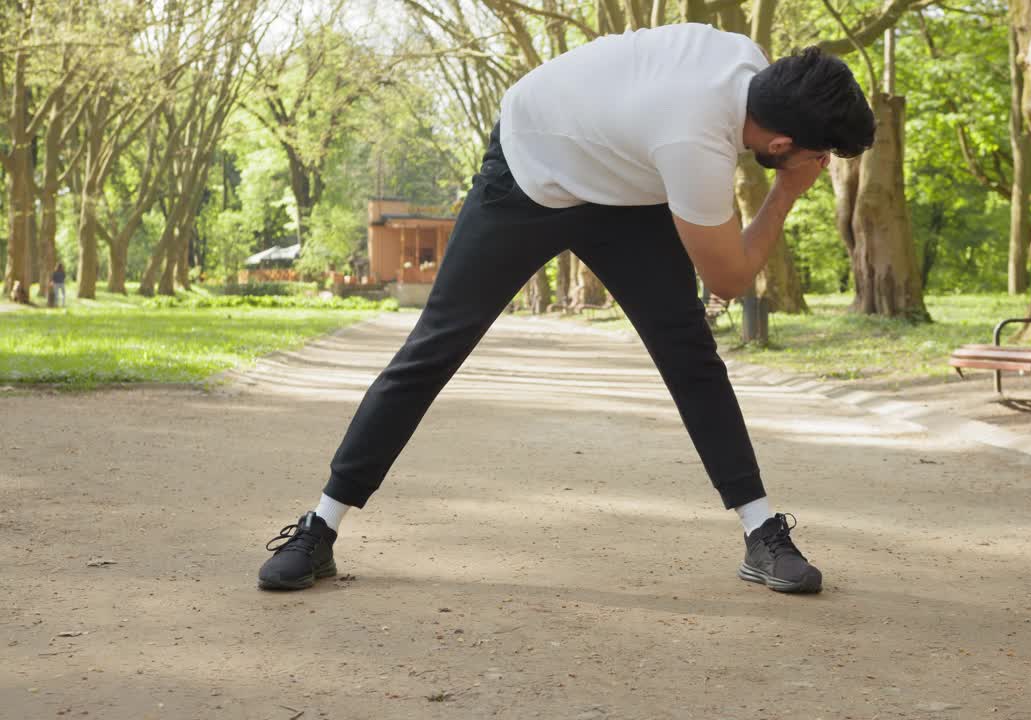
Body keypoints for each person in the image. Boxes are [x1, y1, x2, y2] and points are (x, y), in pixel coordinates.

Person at [258, 24, 875, 595]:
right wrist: (786, 192)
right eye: (817, 157)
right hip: (530, 172)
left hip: (626, 188)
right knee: (435, 346)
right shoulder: (695, 142)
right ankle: (320, 527)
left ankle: (761, 531)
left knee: (689, 352)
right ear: (782, 142)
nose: (817, 168)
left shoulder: (747, 65)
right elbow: (732, 277)